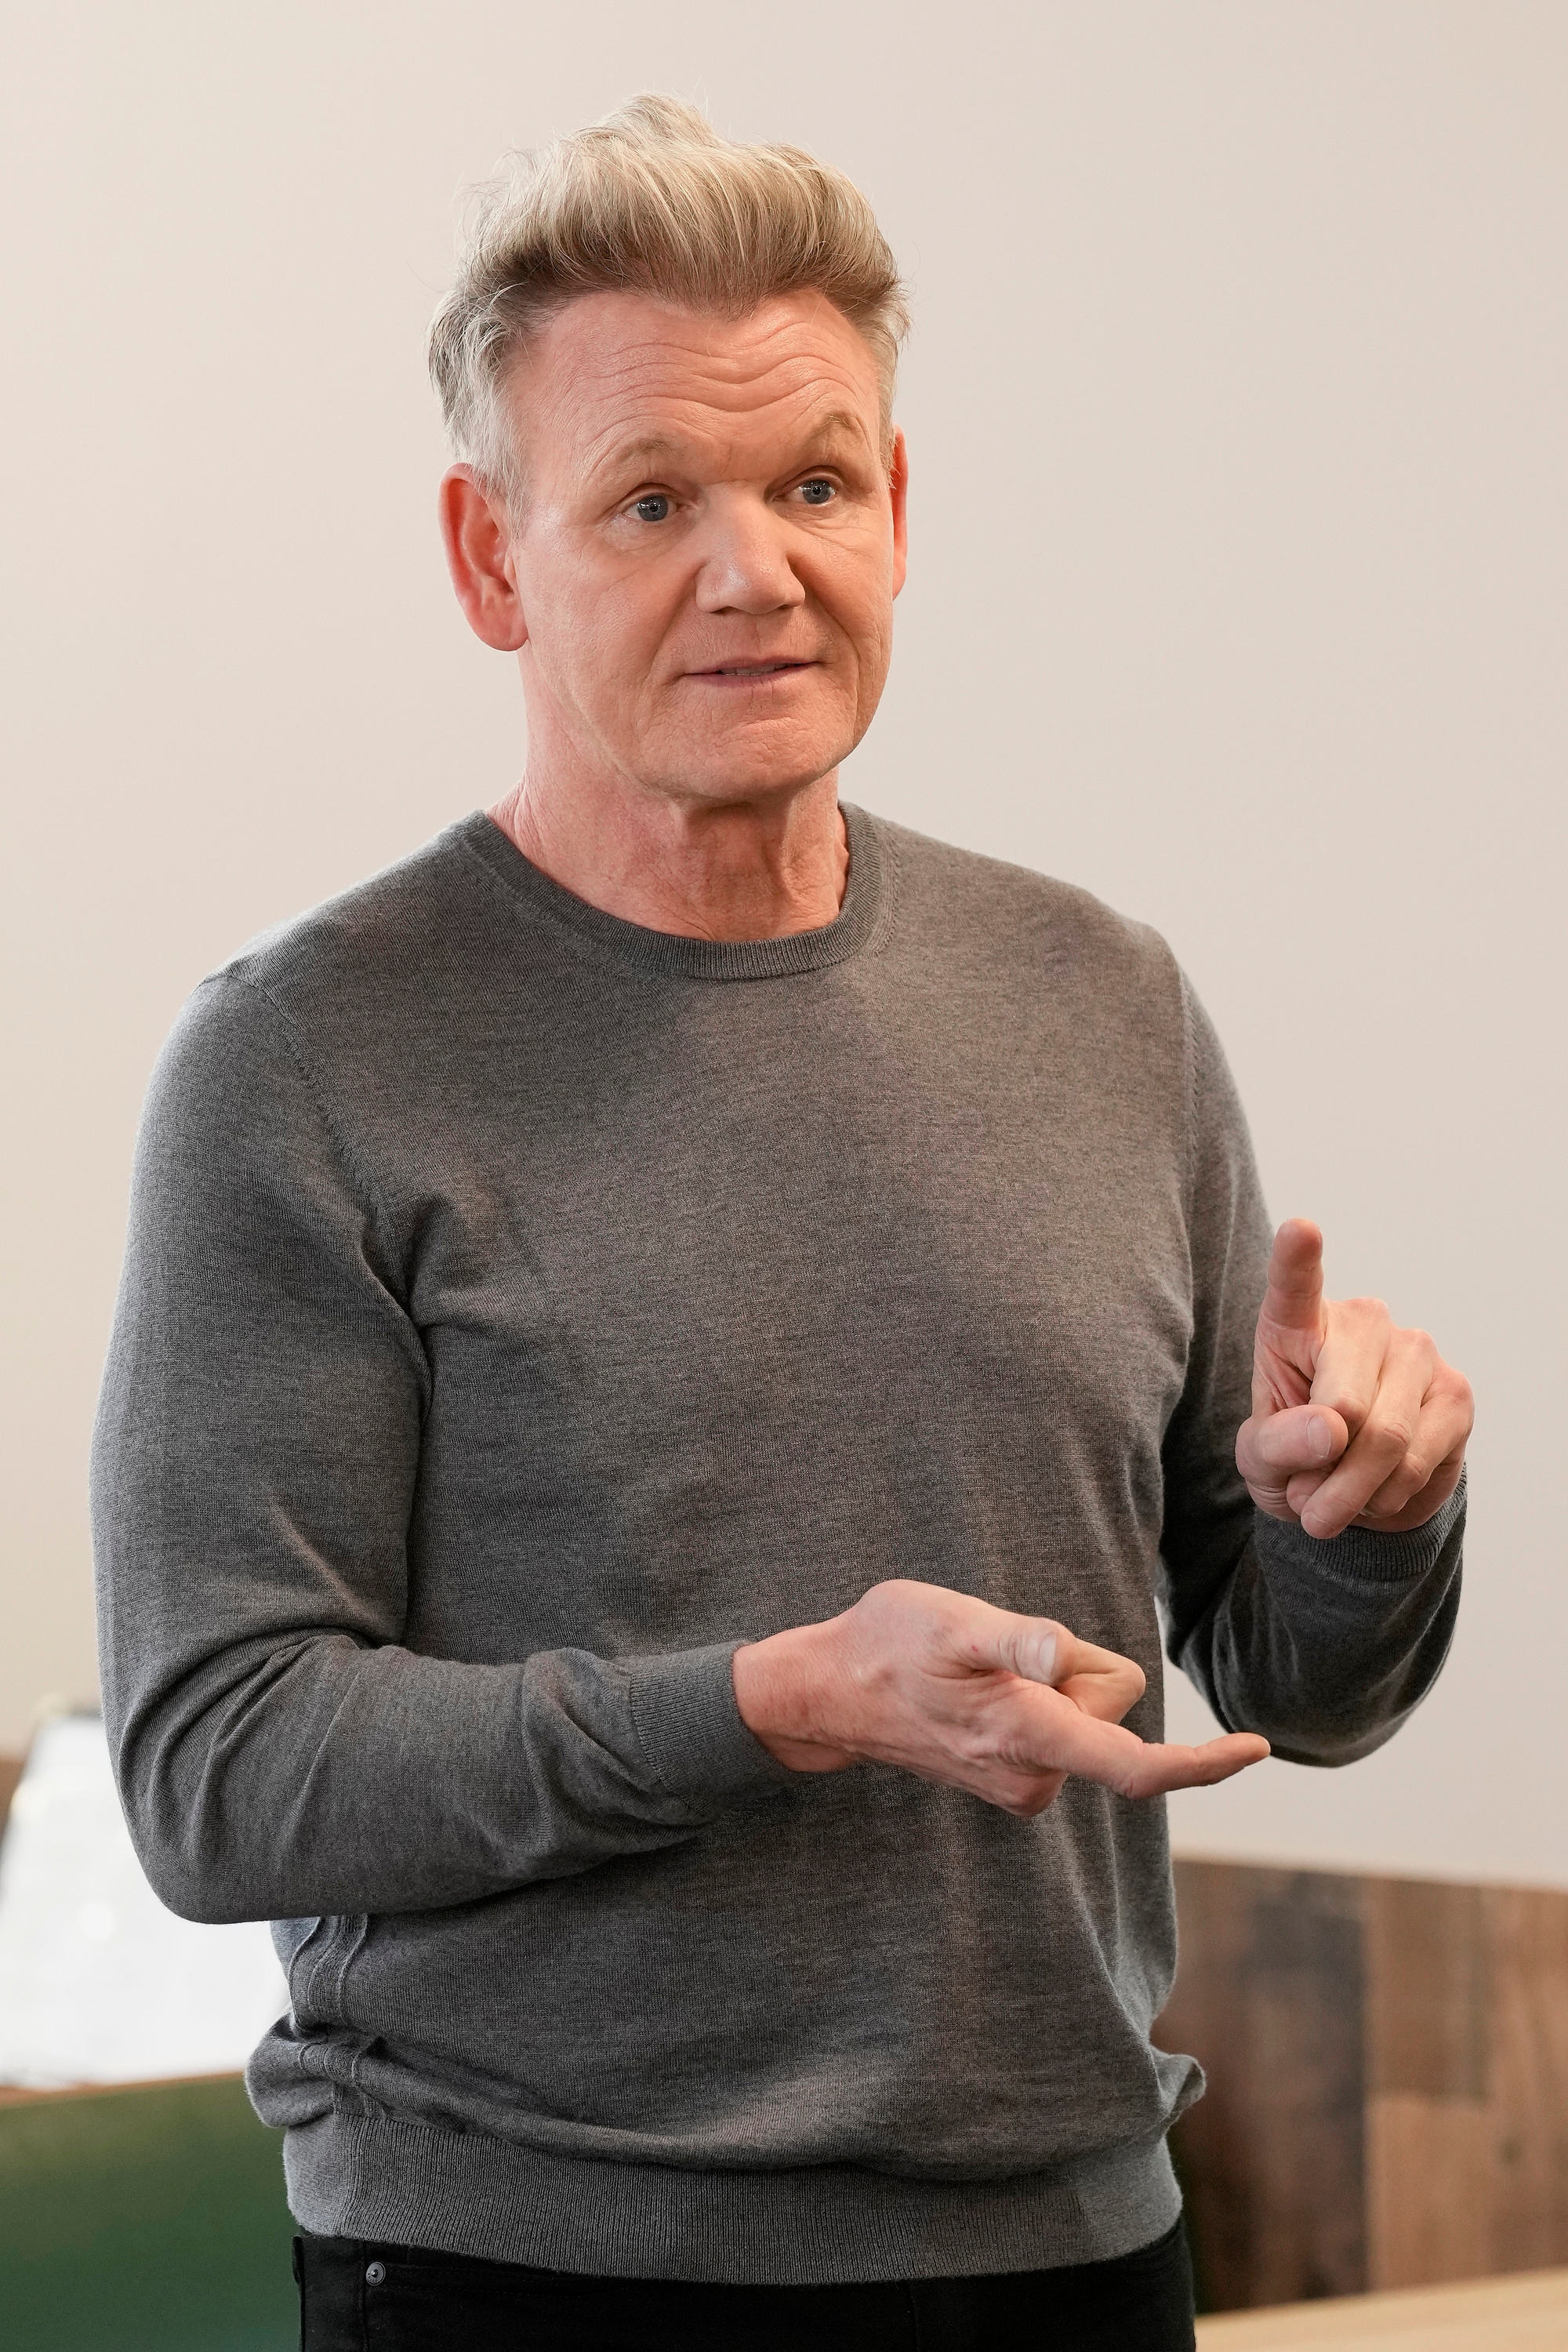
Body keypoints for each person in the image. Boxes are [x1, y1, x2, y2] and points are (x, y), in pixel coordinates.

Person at [92, 96, 1472, 2351]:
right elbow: (219, 1771)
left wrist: (1364, 1528)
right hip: (526, 2274)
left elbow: (1293, 1691)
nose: (758, 571)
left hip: (1077, 2256)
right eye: (652, 501)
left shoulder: (1102, 1000)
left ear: (898, 508)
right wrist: (776, 1705)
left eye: (816, 483)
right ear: (489, 558)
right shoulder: (303, 1059)